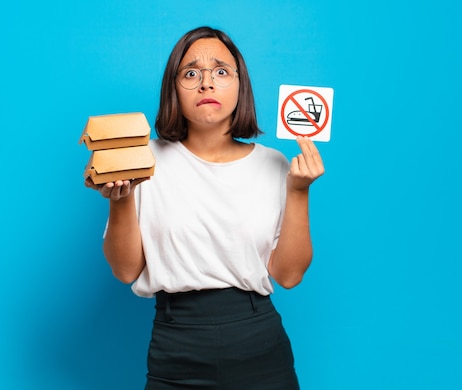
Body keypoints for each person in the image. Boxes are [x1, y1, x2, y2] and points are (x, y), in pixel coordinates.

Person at [84, 26, 324, 389]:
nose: (206, 84)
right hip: (174, 343)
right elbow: (126, 270)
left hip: (257, 341)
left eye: (221, 72)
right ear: (174, 89)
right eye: (191, 73)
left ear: (241, 86)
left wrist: (299, 191)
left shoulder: (275, 164)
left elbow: (288, 276)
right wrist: (121, 201)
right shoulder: (143, 158)